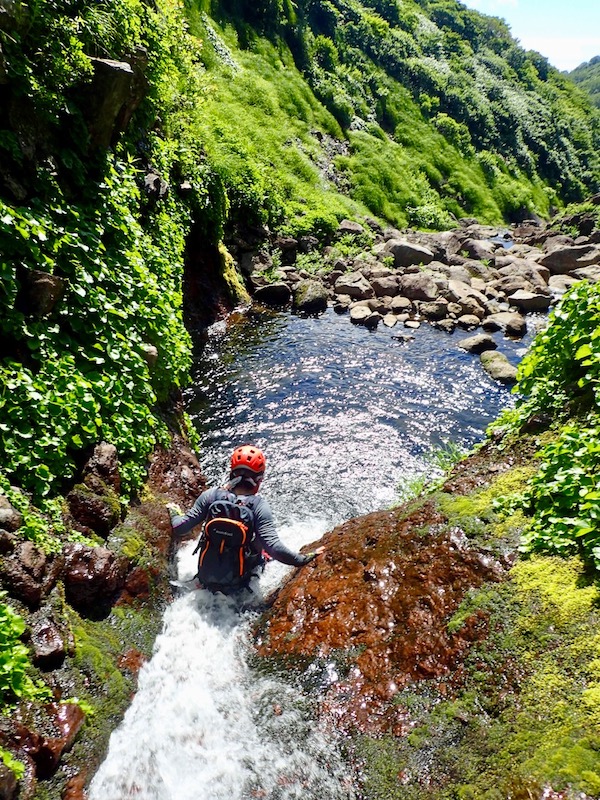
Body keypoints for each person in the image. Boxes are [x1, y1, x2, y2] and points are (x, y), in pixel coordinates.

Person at [168, 444, 323, 592]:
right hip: (241, 582)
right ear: (259, 479)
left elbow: (180, 527)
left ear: (232, 472)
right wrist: (304, 558)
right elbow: (275, 548)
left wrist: (175, 513)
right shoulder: (258, 506)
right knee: (264, 551)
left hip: (205, 577)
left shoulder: (211, 496)